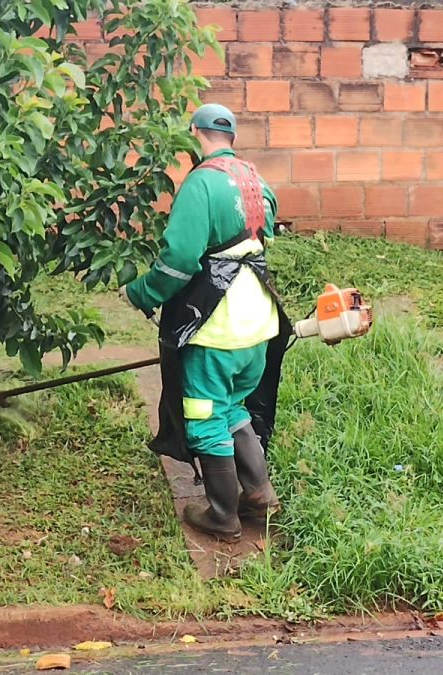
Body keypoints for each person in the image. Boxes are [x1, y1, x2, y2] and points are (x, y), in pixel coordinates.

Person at [121, 103, 291, 543]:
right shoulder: (254, 179)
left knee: (205, 416)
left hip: (218, 329)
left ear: (195, 133)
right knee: (233, 407)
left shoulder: (201, 183)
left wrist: (141, 292)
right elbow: (264, 235)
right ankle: (261, 496)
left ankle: (222, 515)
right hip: (259, 320)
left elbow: (179, 260)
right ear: (231, 137)